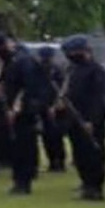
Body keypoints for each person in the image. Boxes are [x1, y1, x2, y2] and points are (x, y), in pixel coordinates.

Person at [0, 32, 43, 196]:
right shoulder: (5, 63)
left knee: (24, 145)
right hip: (8, 108)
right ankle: (18, 179)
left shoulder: (23, 61)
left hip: (22, 110)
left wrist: (18, 106)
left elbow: (28, 87)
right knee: (14, 146)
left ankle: (24, 181)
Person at [61, 35, 105, 201]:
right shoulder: (73, 70)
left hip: (90, 118)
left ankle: (96, 187)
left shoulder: (96, 71)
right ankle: (86, 184)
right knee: (79, 153)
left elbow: (98, 98)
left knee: (94, 153)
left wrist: (91, 120)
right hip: (74, 118)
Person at [36, 45, 67, 173]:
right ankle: (53, 161)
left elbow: (61, 89)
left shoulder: (56, 70)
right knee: (47, 136)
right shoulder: (40, 70)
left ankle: (59, 161)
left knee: (55, 135)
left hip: (55, 106)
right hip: (44, 105)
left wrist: (55, 104)